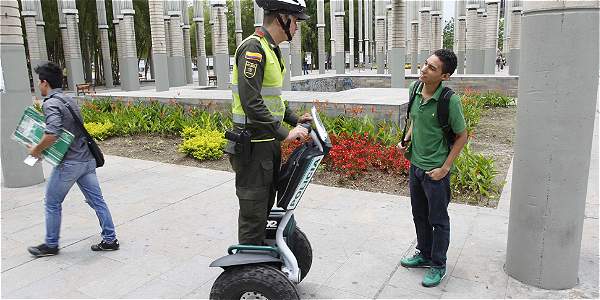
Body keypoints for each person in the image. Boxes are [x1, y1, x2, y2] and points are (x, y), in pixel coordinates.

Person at [225, 0, 311, 246]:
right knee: (254, 212)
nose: (296, 28)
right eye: (295, 22)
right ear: (282, 18)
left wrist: (296, 120)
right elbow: (251, 101)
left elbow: (272, 99)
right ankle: (249, 276)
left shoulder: (270, 49)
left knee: (264, 207)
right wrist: (285, 132)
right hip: (252, 147)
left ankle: (260, 265)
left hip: (266, 145)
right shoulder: (253, 49)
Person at [27, 62, 119, 257]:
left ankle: (51, 244)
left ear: (45, 83)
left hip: (70, 164)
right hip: (86, 160)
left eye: (39, 83)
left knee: (52, 202)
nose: (38, 86)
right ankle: (110, 239)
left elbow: (52, 134)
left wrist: (36, 149)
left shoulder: (51, 103)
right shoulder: (68, 100)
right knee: (98, 201)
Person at [397, 49, 468, 287]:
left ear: (444, 76)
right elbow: (415, 121)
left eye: (431, 68)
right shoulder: (415, 90)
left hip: (435, 172)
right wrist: (406, 139)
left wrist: (445, 168)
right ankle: (424, 254)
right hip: (415, 166)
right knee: (419, 215)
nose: (423, 69)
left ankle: (438, 264)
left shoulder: (450, 100)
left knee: (438, 220)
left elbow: (461, 136)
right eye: (425, 64)